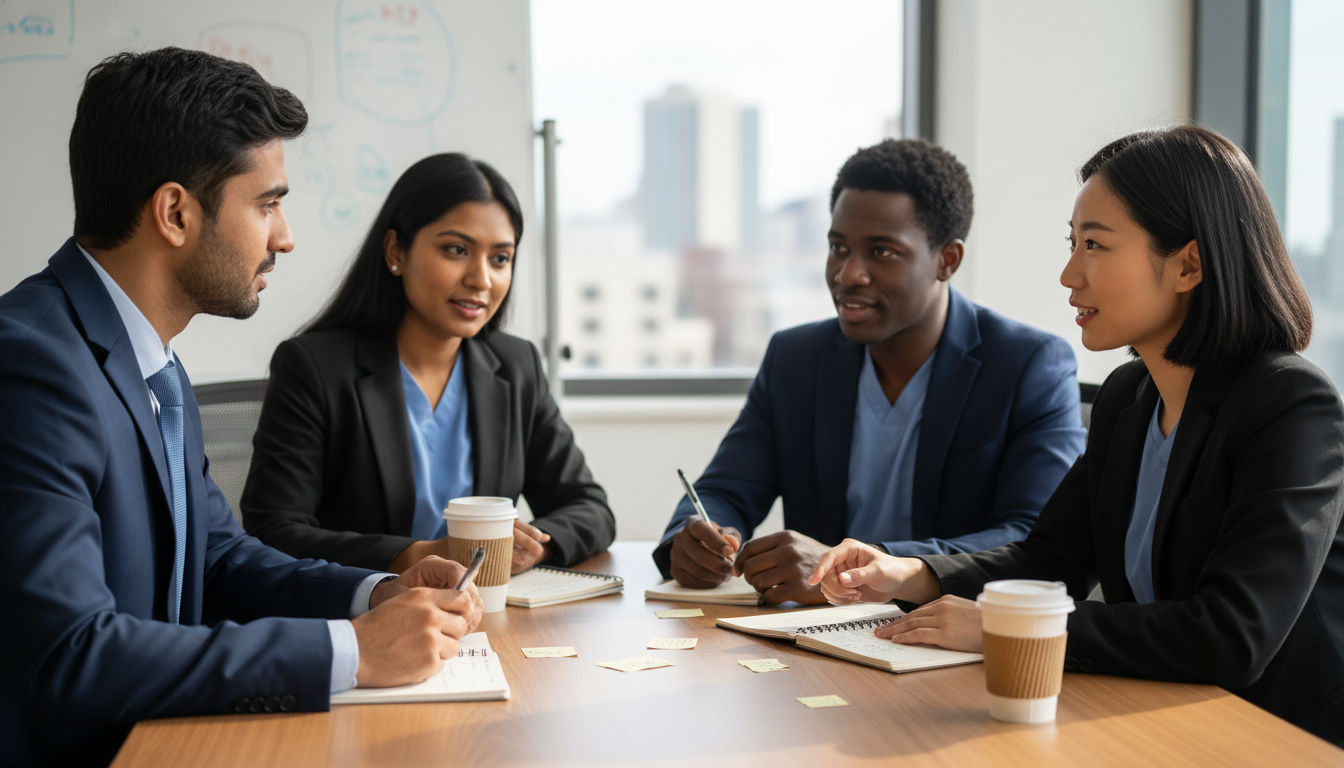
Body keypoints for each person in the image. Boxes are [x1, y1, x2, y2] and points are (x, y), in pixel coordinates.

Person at [0, 48, 486, 768]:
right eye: (267, 204)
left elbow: (217, 558)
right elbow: (72, 655)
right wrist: (351, 651)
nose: (284, 236)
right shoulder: (32, 364)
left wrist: (376, 594)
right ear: (175, 213)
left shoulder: (150, 358)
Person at [809, 125, 1344, 744]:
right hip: (1160, 713)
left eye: (1094, 245)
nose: (1069, 275)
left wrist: (1000, 627)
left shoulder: (1289, 404)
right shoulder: (1128, 397)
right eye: (1072, 243)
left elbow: (1231, 634)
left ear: (1188, 265)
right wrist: (910, 574)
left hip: (1284, 734)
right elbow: (1049, 559)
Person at [654, 139, 1087, 604]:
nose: (847, 274)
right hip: (815, 642)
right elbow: (726, 488)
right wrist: (697, 538)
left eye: (881, 252)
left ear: (948, 260)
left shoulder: (1028, 365)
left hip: (954, 637)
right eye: (838, 247)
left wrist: (864, 568)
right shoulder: (795, 359)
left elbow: (1030, 537)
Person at [241, 153, 615, 575]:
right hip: (370, 618)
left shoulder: (516, 365)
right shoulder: (314, 367)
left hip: (483, 617)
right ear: (395, 250)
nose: (481, 279)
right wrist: (414, 556)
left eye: (500, 258)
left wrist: (535, 547)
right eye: (456, 250)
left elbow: (590, 509)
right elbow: (274, 532)